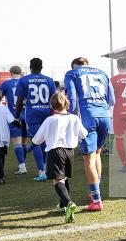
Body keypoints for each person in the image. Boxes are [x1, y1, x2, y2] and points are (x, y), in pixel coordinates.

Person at [64, 57, 115, 211]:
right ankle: (95, 192)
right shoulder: (102, 73)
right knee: (97, 154)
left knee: (89, 159)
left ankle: (96, 200)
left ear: (74, 66)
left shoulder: (72, 73)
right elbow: (112, 99)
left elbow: (72, 97)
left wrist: (71, 115)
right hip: (105, 115)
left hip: (88, 117)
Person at [31, 92, 87, 223]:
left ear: (52, 105)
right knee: (64, 178)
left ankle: (68, 203)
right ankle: (62, 205)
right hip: (69, 151)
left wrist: (29, 147)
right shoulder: (74, 118)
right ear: (67, 103)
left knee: (57, 181)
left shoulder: (50, 119)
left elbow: (37, 139)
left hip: (55, 152)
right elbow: (83, 134)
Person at [15, 58, 58, 182]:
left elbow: (19, 101)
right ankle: (47, 169)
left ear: (30, 67)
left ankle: (42, 172)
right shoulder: (49, 80)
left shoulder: (24, 80)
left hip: (32, 113)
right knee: (46, 141)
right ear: (42, 67)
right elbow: (54, 99)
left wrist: (17, 117)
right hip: (47, 113)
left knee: (36, 142)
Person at [0, 66, 28, 175]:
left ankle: (22, 166)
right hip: (27, 115)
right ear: (21, 73)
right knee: (24, 142)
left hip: (13, 116)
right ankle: (23, 164)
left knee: (17, 143)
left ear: (10, 73)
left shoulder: (6, 84)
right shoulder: (26, 81)